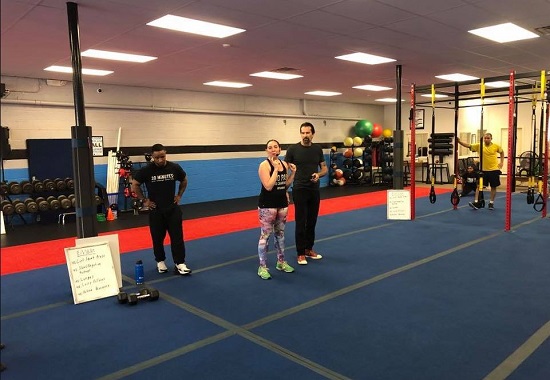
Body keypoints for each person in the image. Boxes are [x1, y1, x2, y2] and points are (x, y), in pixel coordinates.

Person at [131, 144, 191, 275]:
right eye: (157, 157)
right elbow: (135, 184)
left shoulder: (174, 167)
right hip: (156, 210)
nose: (160, 160)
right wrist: (144, 200)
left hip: (172, 209)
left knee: (177, 237)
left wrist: (179, 195)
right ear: (152, 157)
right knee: (158, 238)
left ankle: (180, 263)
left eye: (162, 157)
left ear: (165, 154)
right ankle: (160, 261)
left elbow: (184, 180)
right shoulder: (146, 170)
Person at [285, 122, 328, 265]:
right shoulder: (292, 149)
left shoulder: (317, 149)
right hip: (299, 189)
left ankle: (309, 249)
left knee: (312, 221)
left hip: (314, 190)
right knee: (300, 221)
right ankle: (300, 253)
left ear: (313, 134)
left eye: (307, 133)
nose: (305, 135)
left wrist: (318, 174)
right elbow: (285, 167)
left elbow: (324, 169)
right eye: (302, 133)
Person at [257, 139, 297, 280]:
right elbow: (268, 186)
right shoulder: (264, 165)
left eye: (275, 147)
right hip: (267, 206)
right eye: (270, 147)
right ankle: (262, 267)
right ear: (266, 150)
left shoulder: (284, 164)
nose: (273, 149)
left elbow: (284, 185)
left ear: (280, 149)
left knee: (280, 235)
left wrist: (293, 173)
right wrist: (274, 169)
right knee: (265, 236)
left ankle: (281, 262)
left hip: (282, 204)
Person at [457, 133, 504, 210]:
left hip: (494, 170)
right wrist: (459, 142)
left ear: (491, 138)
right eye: (485, 138)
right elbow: (468, 145)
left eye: (488, 138)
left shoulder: (496, 146)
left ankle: (491, 203)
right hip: (483, 170)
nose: (486, 139)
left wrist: (501, 162)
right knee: (479, 186)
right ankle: (476, 202)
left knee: (493, 187)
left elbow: (502, 152)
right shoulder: (479, 145)